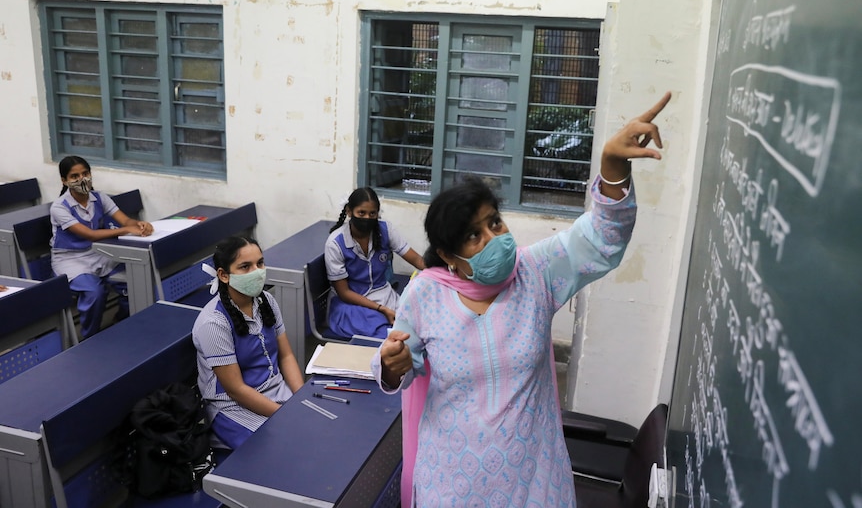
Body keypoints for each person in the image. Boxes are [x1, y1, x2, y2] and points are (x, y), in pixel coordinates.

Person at [374, 92, 671, 507]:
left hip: (532, 480)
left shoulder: (536, 273)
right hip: (452, 483)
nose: (494, 238)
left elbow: (602, 240)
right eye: (474, 236)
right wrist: (391, 367)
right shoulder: (425, 293)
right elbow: (399, 364)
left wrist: (613, 167)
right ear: (448, 257)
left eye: (495, 223)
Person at [192, 235, 305, 450]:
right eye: (245, 266)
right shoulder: (213, 322)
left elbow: (287, 355)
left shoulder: (266, 301)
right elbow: (236, 390)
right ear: (224, 275)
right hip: (232, 407)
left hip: (275, 391)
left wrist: (299, 399)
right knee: (287, 447)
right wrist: (285, 415)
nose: (256, 272)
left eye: (260, 263)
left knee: (315, 429)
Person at [50, 155, 154, 340]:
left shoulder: (99, 197)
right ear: (64, 181)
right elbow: (88, 234)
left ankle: (120, 322)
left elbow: (124, 219)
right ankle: (90, 338)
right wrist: (126, 230)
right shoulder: (60, 207)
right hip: (71, 260)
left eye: (85, 173)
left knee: (134, 280)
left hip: (100, 254)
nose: (82, 179)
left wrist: (138, 225)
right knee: (94, 292)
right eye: (75, 176)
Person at [324, 187, 425, 339]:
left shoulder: (385, 230)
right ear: (349, 212)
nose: (367, 218)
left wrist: (443, 274)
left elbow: (416, 259)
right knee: (388, 335)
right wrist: (381, 309)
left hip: (384, 296)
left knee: (416, 326)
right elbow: (344, 293)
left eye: (372, 213)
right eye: (361, 213)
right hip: (351, 305)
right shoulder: (335, 243)